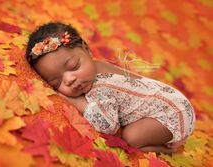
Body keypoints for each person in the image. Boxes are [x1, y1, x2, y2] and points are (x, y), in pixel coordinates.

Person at [25, 22, 195, 154]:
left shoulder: (99, 88)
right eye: (56, 83)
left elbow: (108, 126)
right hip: (174, 100)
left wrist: (80, 104)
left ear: (86, 49)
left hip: (172, 114)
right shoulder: (96, 66)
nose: (69, 79)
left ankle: (166, 148)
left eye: (74, 66)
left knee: (131, 138)